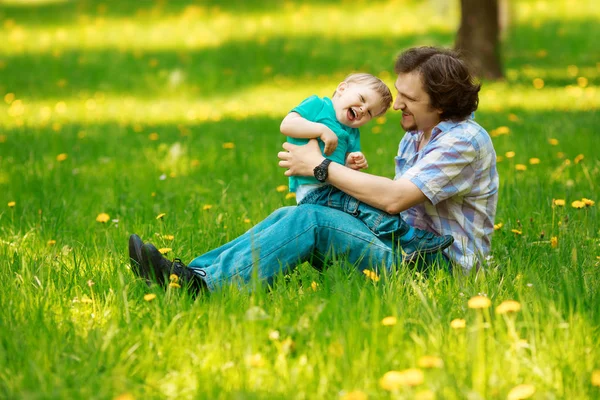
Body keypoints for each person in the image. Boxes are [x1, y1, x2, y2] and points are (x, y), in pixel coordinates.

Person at [128, 46, 498, 295]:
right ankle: (192, 276)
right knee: (295, 214)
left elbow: (395, 200)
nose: (397, 103)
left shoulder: (463, 141)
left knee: (314, 222)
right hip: (403, 248)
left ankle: (203, 289)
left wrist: (320, 167)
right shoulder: (416, 134)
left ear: (442, 103)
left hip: (439, 270)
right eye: (399, 92)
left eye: (410, 98)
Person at [281, 72, 453, 261]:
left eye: (370, 112)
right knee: (362, 207)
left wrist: (351, 162)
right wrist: (321, 130)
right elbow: (287, 124)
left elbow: (338, 168)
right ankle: (409, 238)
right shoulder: (318, 106)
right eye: (362, 99)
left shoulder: (352, 133)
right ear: (342, 88)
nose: (363, 109)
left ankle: (390, 253)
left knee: (360, 215)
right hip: (313, 191)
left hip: (332, 187)